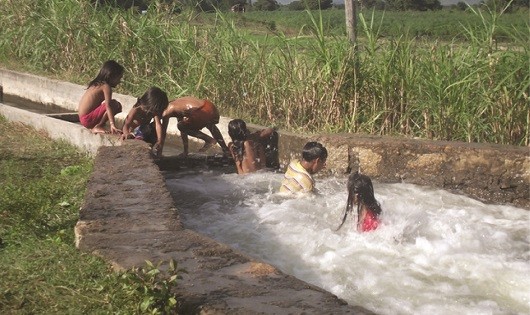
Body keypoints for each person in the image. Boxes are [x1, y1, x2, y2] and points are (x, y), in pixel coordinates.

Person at [162, 96, 229, 157]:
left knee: (180, 126)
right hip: (209, 107)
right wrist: (185, 151)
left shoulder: (168, 110)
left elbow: (163, 132)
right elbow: (183, 132)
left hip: (199, 112)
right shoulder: (178, 103)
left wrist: (159, 151)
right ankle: (226, 150)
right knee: (210, 125)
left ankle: (209, 140)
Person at [78, 60, 124, 134]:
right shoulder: (106, 87)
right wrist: (112, 124)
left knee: (114, 105)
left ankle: (99, 124)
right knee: (115, 105)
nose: (119, 81)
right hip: (87, 119)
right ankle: (98, 126)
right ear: (111, 76)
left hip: (83, 119)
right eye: (119, 78)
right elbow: (108, 106)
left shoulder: (97, 84)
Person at [120, 87, 169, 157]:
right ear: (149, 104)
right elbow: (126, 124)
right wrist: (126, 133)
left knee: (153, 127)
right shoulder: (136, 110)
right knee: (144, 128)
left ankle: (152, 151)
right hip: (132, 133)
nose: (155, 112)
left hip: (143, 133)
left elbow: (158, 125)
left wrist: (159, 141)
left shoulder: (153, 112)